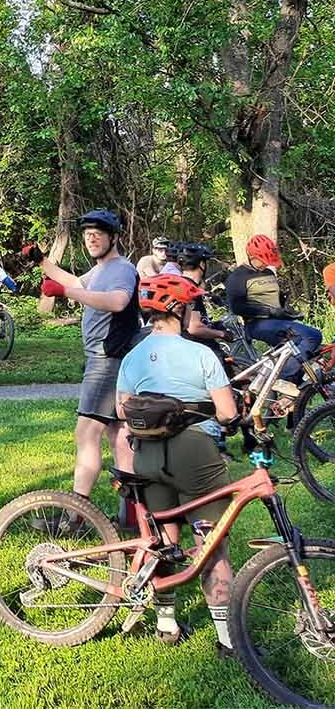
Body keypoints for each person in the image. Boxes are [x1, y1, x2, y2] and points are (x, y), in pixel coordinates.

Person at [116, 273, 240, 652]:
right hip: (196, 453)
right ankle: (227, 639)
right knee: (210, 543)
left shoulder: (133, 357)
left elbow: (121, 411)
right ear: (180, 310)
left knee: (163, 540)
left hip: (148, 455)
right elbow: (227, 412)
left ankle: (166, 624)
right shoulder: (201, 354)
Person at [29, 209, 140, 499]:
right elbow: (76, 282)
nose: (91, 239)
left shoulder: (122, 268)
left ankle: (77, 510)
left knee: (87, 432)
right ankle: (133, 511)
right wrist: (41, 261)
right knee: (118, 433)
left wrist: (64, 293)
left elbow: (118, 301)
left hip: (107, 359)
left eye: (98, 234)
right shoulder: (100, 270)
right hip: (106, 358)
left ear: (113, 238)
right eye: (88, 235)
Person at [225, 234, 322, 380]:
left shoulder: (269, 273)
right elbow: (237, 307)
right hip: (257, 324)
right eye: (262, 261)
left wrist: (286, 311)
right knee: (312, 336)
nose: (265, 264)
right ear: (251, 256)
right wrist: (269, 311)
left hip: (277, 321)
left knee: (296, 359)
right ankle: (279, 377)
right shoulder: (238, 277)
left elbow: (275, 301)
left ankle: (289, 386)